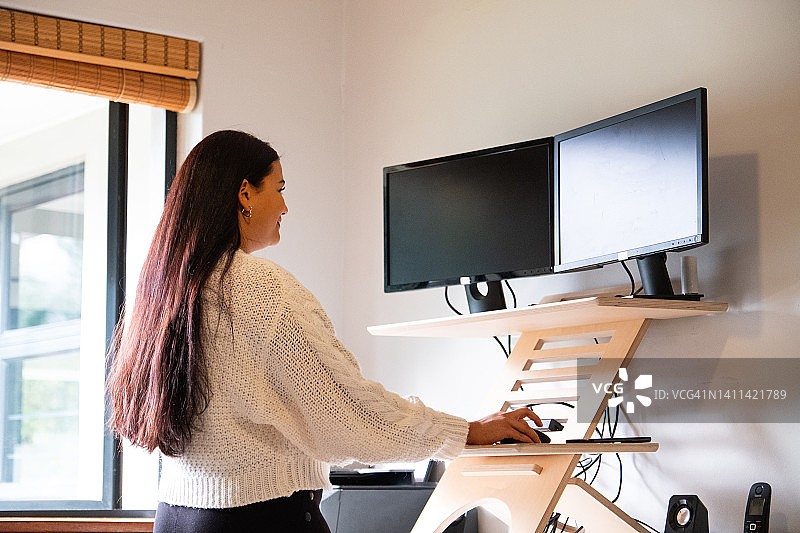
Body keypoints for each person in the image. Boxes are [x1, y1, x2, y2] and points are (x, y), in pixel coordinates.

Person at [107, 130, 543, 532]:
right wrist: (464, 432)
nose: (285, 206)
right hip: (262, 519)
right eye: (278, 189)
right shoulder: (259, 287)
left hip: (177, 517)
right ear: (245, 192)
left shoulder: (163, 293)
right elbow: (347, 412)